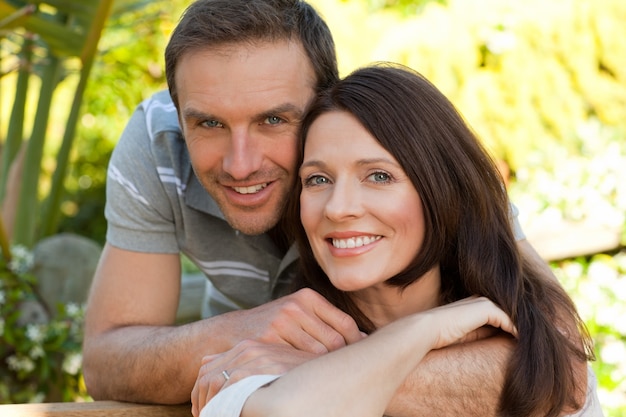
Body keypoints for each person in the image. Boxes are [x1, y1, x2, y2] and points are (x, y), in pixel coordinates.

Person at [82, 0, 589, 414]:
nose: (240, 165)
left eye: (273, 120)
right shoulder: (158, 145)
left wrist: (340, 362)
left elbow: (564, 368)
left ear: (331, 102)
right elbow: (108, 362)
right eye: (210, 124)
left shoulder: (408, 150)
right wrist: (244, 331)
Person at [193, 63, 601, 417]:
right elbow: (286, 411)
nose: (338, 208)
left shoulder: (528, 338)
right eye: (318, 179)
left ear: (440, 191)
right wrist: (421, 332)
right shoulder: (270, 350)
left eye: (379, 176)